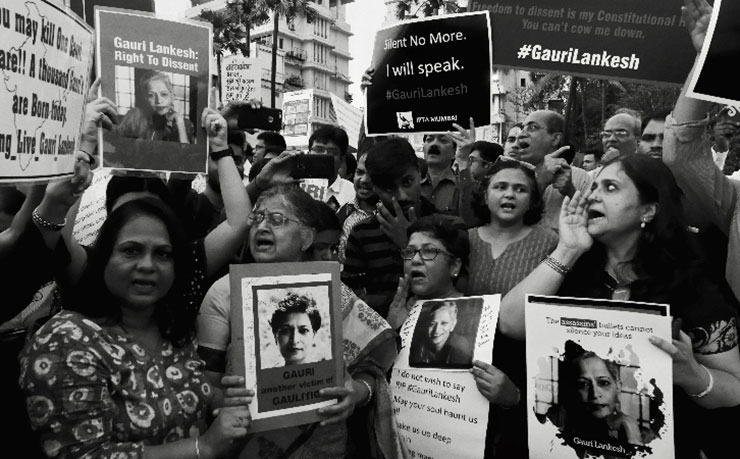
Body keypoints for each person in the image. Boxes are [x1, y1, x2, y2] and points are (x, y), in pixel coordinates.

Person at [498, 152, 740, 458]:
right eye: (594, 187)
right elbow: (510, 324)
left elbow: (734, 388)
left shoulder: (692, 284)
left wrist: (692, 375)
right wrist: (567, 250)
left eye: (610, 188)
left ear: (648, 210)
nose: (592, 197)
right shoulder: (573, 268)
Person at [19, 198, 253, 458]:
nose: (147, 265)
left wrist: (222, 400)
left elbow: (187, 395)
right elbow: (85, 455)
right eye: (131, 250)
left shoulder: (171, 327)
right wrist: (203, 447)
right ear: (104, 257)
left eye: (163, 254)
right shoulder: (66, 340)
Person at [197, 184, 405, 459]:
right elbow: (204, 385)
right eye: (257, 218)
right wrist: (227, 401)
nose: (262, 227)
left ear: (306, 238)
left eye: (277, 220)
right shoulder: (226, 293)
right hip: (248, 445)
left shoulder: (333, 294)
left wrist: (356, 392)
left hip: (325, 447)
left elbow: (373, 368)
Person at [465, 157, 557, 458]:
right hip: (466, 364)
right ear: (485, 194)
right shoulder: (463, 240)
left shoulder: (550, 243)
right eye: (500, 187)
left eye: (520, 189)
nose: (509, 194)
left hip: (523, 364)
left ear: (532, 200)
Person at [342, 137, 465, 317]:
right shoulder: (362, 233)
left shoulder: (451, 225)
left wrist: (408, 243)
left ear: (419, 173)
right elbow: (350, 300)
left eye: (407, 182)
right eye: (389, 189)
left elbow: (461, 289)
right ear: (375, 188)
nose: (402, 195)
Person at [553, 343, 645, 456]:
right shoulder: (559, 437)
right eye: (583, 384)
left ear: (618, 387)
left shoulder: (642, 433)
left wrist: (633, 438)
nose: (595, 394)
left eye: (604, 383)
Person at [386, 216, 469, 330]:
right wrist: (393, 329)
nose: (415, 260)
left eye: (429, 251)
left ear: (454, 266)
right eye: (410, 251)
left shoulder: (475, 311)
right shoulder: (393, 310)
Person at [516, 109, 592, 231]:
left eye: (532, 127)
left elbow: (592, 222)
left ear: (556, 138)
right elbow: (509, 220)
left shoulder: (580, 178)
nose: (521, 135)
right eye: (522, 128)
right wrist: (541, 182)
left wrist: (570, 191)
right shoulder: (511, 175)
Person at [117, 70, 193, 143]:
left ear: (172, 96)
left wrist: (180, 123)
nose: (159, 101)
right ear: (145, 98)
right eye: (151, 95)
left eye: (164, 94)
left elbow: (185, 153)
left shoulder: (183, 123)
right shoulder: (134, 117)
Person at [336, 150, 378, 263]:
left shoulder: (393, 217)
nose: (364, 180)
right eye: (359, 172)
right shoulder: (344, 211)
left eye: (372, 174)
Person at [409, 301, 473, 368]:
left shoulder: (460, 345)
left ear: (453, 325)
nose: (436, 330)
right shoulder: (422, 345)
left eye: (444, 323)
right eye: (432, 324)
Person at [309, 125, 356, 210]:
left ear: (341, 159)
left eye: (332, 152)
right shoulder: (296, 185)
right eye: (319, 150)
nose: (324, 156)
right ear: (308, 153)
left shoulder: (352, 192)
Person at [269, 293, 322, 366]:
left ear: (314, 335)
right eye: (285, 331)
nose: (294, 340)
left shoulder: (325, 371)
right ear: (275, 336)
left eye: (304, 330)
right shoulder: (269, 375)